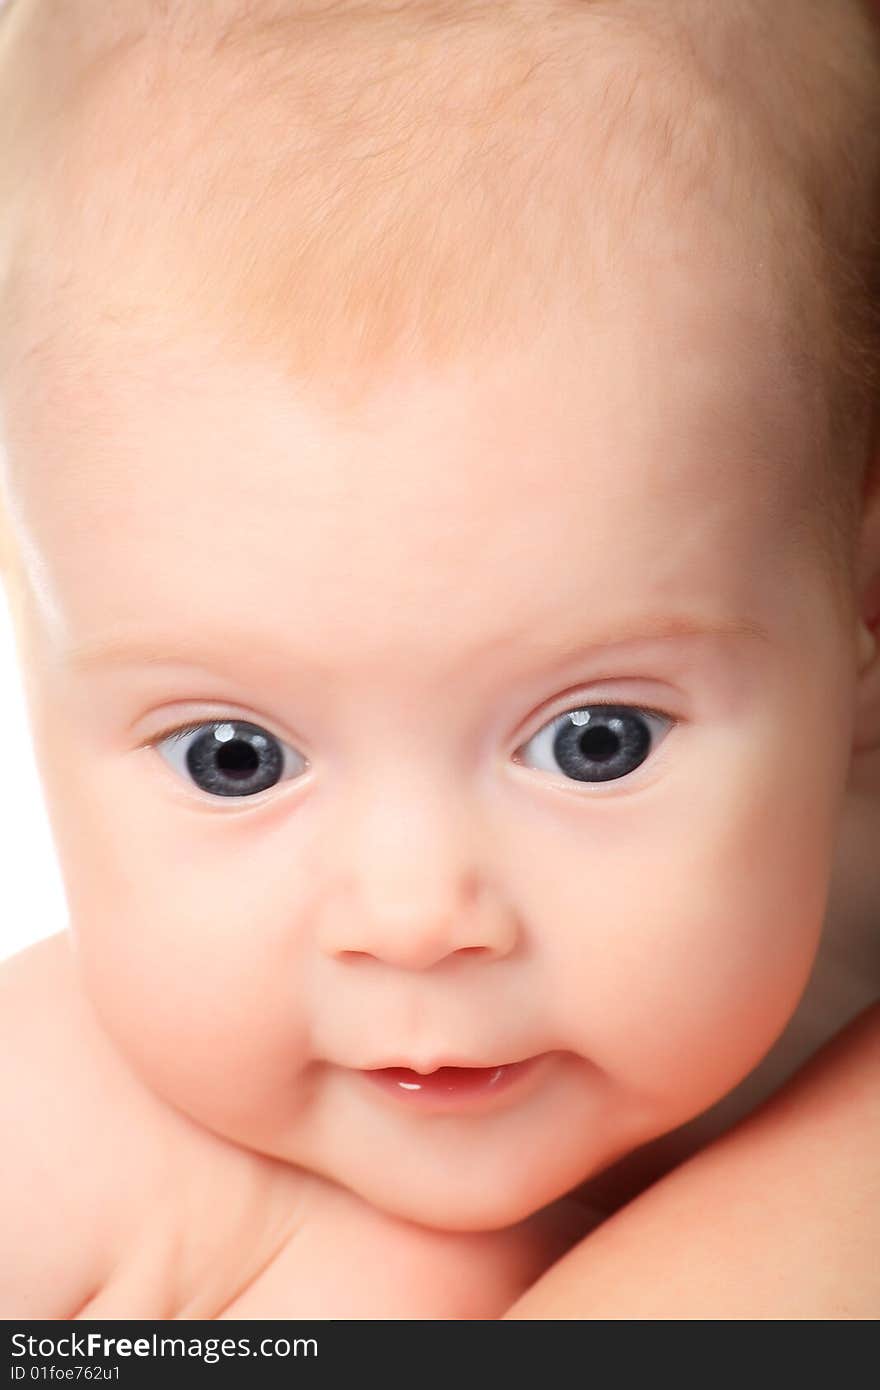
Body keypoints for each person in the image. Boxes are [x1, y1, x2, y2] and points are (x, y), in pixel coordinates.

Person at [0, 0, 878, 1319]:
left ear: (866, 611)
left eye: (598, 739)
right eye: (233, 757)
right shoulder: (55, 1136)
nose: (414, 919)